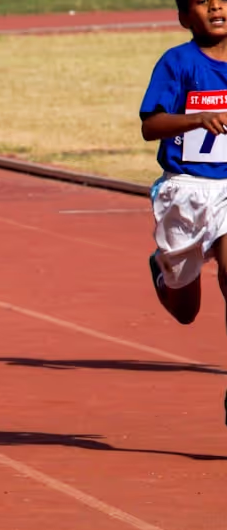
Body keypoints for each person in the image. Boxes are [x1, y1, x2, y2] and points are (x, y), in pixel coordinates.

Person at [141, 0, 227, 421]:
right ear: (183, 16)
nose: (215, 5)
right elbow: (150, 126)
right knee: (186, 310)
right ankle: (163, 273)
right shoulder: (177, 63)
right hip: (185, 190)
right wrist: (195, 118)